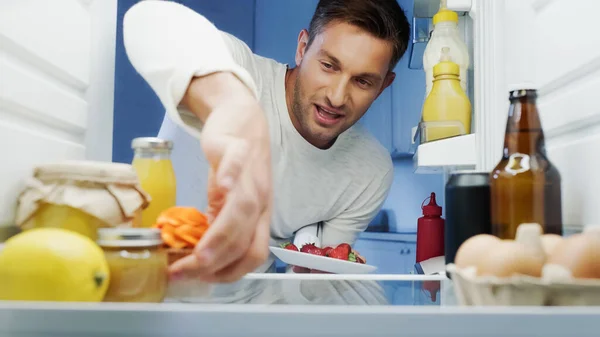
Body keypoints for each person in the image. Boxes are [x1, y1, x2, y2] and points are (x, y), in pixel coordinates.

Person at [123, 0, 410, 283]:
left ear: (384, 85)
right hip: (146, 283)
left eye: (362, 82)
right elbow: (148, 19)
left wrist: (312, 283)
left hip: (247, 312)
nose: (336, 96)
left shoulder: (369, 171)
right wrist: (230, 107)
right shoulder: (240, 71)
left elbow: (311, 285)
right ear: (302, 48)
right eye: (328, 65)